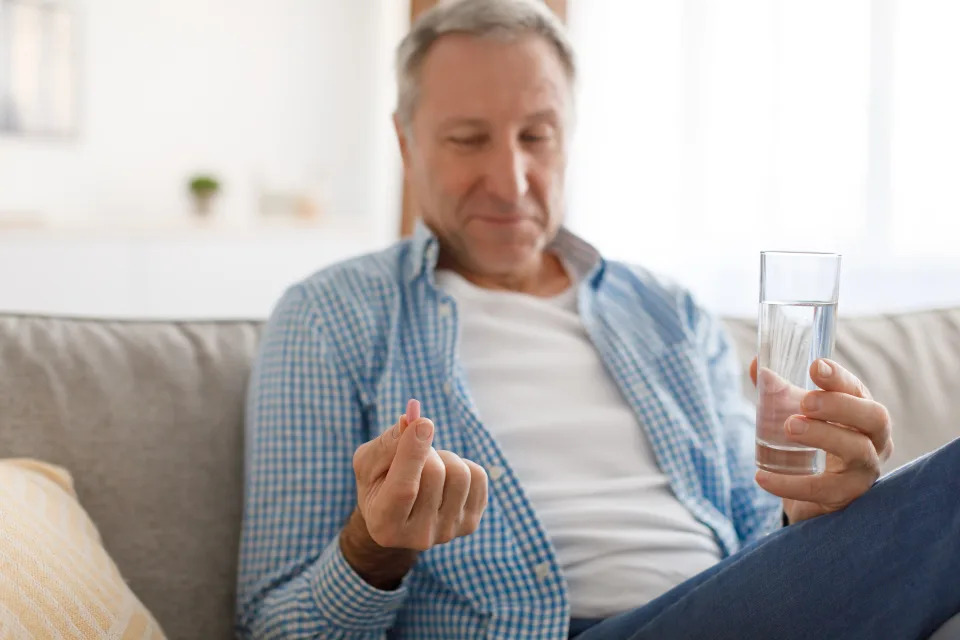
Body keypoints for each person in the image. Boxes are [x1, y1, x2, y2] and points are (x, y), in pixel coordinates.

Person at [234, 1, 960, 638]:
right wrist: (376, 547)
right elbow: (275, 629)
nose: (512, 180)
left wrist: (822, 504)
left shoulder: (667, 311)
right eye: (467, 139)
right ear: (405, 143)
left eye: (537, 136)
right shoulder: (330, 317)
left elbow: (759, 532)